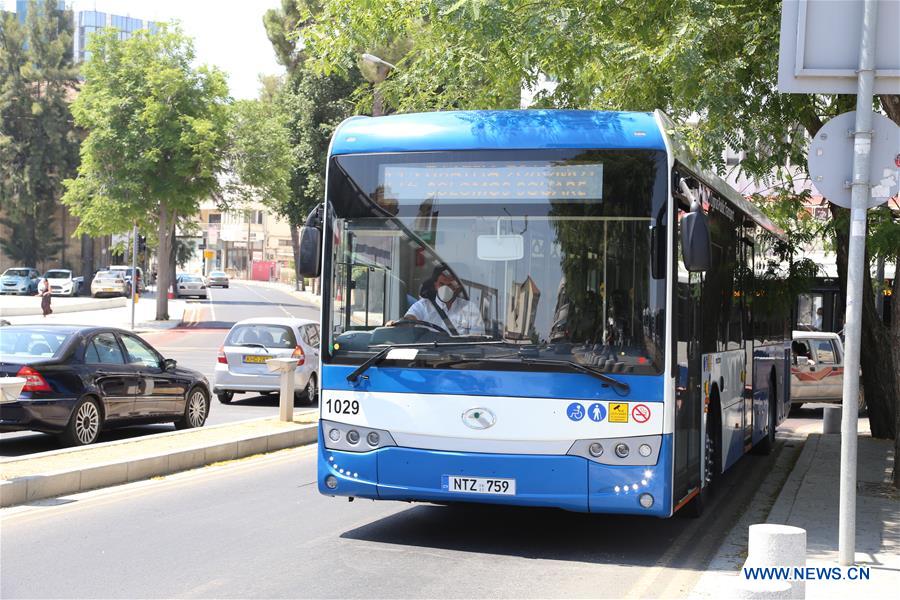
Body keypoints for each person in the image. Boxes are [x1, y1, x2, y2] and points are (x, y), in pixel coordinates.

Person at [403, 264, 485, 335]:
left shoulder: (470, 308)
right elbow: (408, 320)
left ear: (458, 287)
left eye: (450, 285)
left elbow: (477, 338)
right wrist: (403, 323)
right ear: (435, 285)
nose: (445, 289)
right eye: (441, 284)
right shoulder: (422, 306)